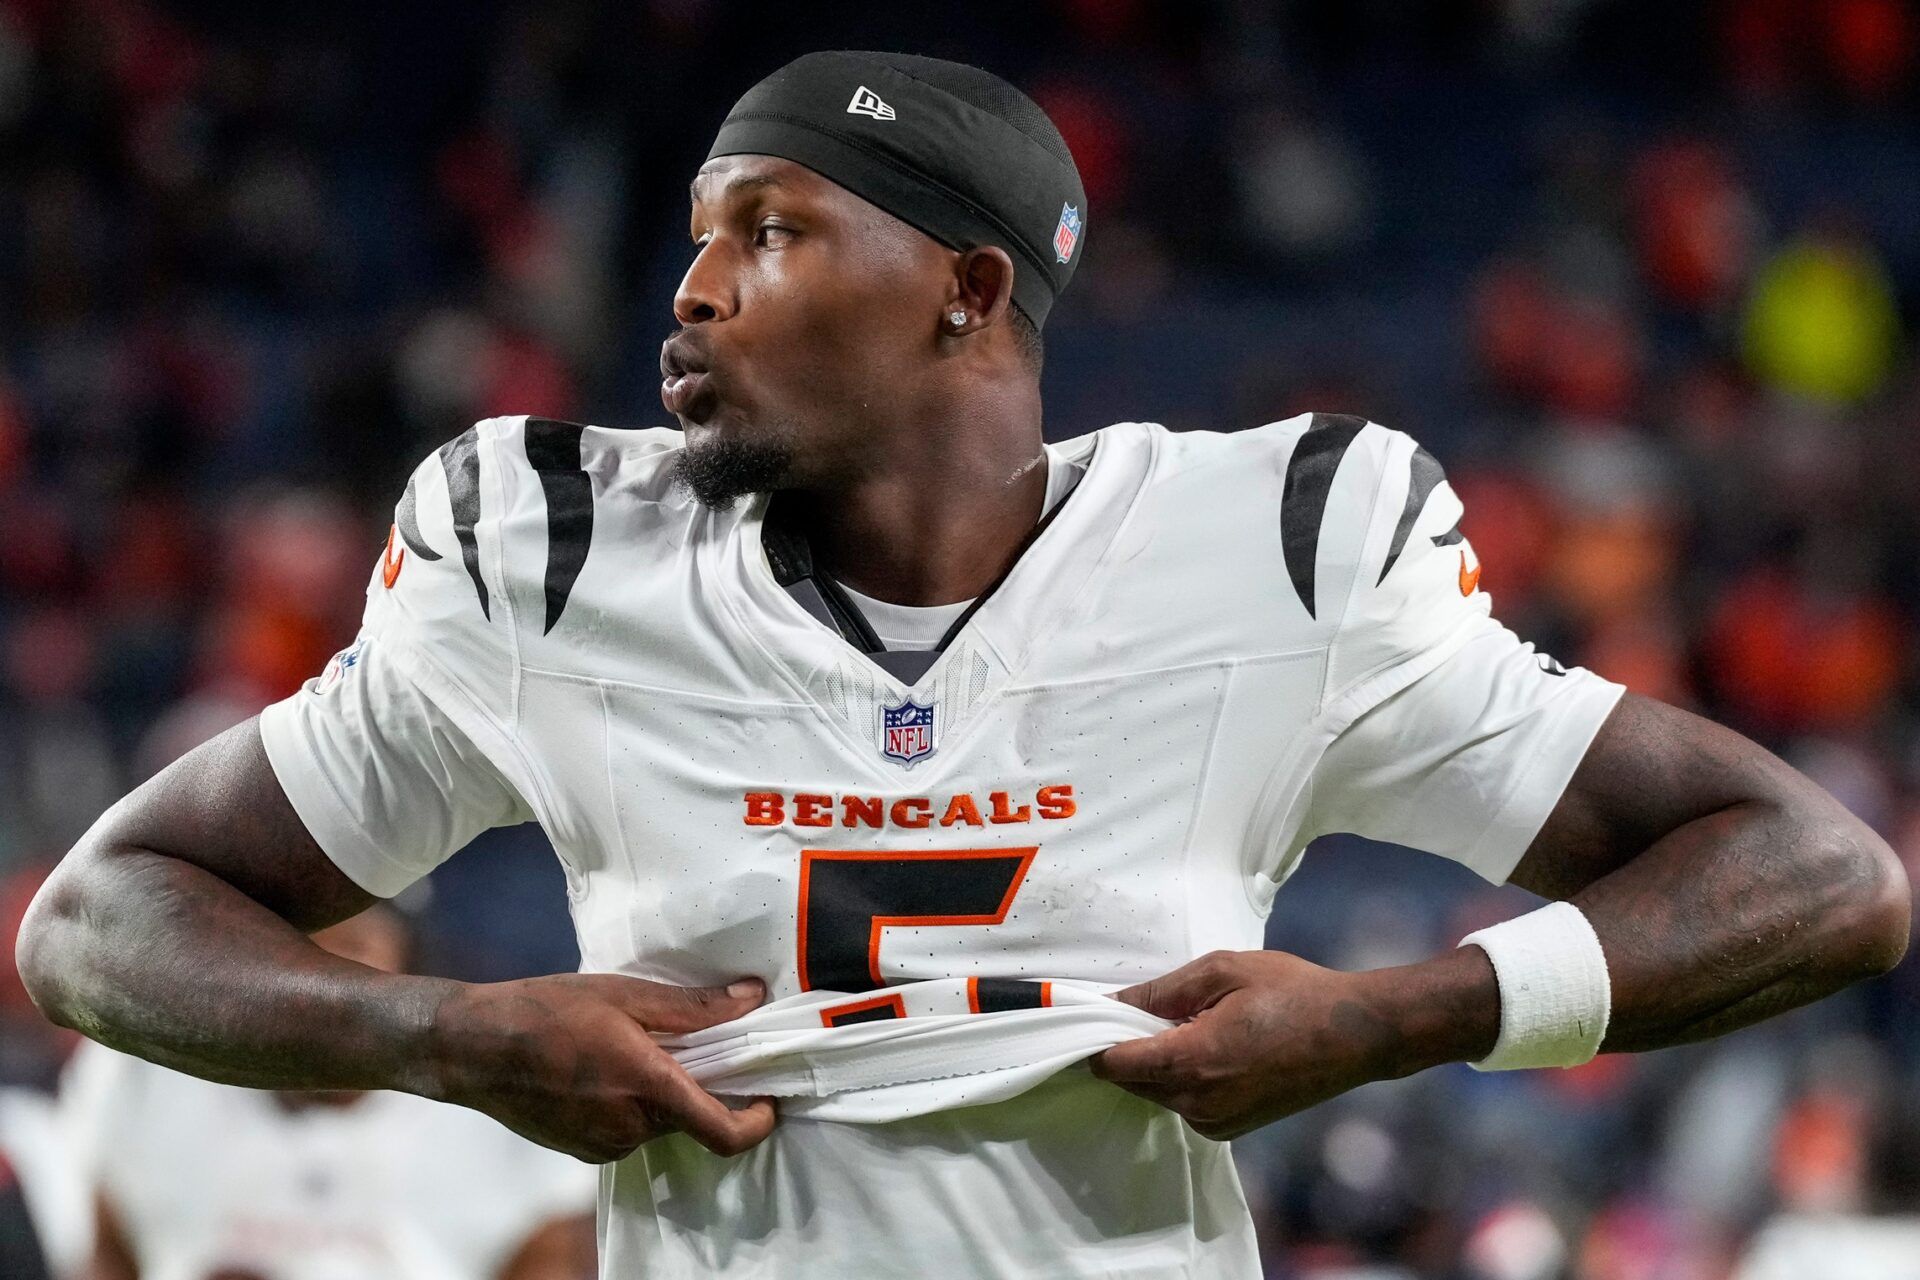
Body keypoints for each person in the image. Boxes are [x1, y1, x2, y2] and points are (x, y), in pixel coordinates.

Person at [16, 50, 1911, 1280]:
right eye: (694, 239)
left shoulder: (1270, 556)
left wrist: (1403, 1012)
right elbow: (98, 923)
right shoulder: (558, 561)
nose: (691, 290)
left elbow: (1820, 878)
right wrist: (441, 1035)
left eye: (769, 232)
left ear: (971, 288)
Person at [61, 905, 597, 1280]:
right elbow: (103, 1253)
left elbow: (551, 1259)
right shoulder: (142, 1069)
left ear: (405, 958)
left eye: (349, 947)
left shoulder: (501, 1094)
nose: (318, 988)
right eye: (293, 950)